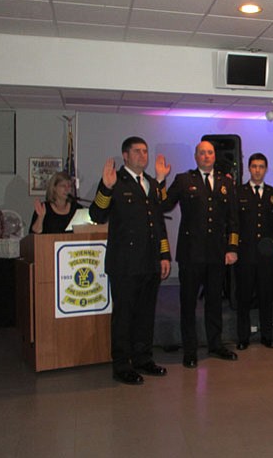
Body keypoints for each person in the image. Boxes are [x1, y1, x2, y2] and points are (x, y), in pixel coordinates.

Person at [89, 136, 171, 385]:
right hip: (125, 264)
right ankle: (122, 365)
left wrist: (164, 254)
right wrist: (105, 188)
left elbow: (159, 220)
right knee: (124, 316)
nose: (142, 156)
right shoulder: (116, 181)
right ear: (125, 156)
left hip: (149, 262)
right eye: (137, 151)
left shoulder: (150, 184)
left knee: (146, 314)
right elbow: (97, 215)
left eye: (145, 151)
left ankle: (143, 358)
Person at [158, 140, 239, 368]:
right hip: (191, 254)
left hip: (216, 254)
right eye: (202, 152)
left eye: (210, 152)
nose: (206, 156)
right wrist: (161, 179)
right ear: (196, 156)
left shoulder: (226, 182)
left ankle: (215, 345)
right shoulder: (184, 180)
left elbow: (233, 219)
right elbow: (164, 205)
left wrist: (232, 248)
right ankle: (190, 350)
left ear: (215, 156)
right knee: (188, 303)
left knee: (214, 302)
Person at [235, 153, 273, 351]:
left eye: (261, 166)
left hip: (266, 255)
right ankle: (243, 337)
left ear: (266, 169)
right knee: (244, 297)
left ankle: (267, 335)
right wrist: (232, 249)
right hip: (245, 254)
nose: (257, 170)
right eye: (254, 166)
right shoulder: (239, 192)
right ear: (249, 168)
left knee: (266, 296)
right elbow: (234, 223)